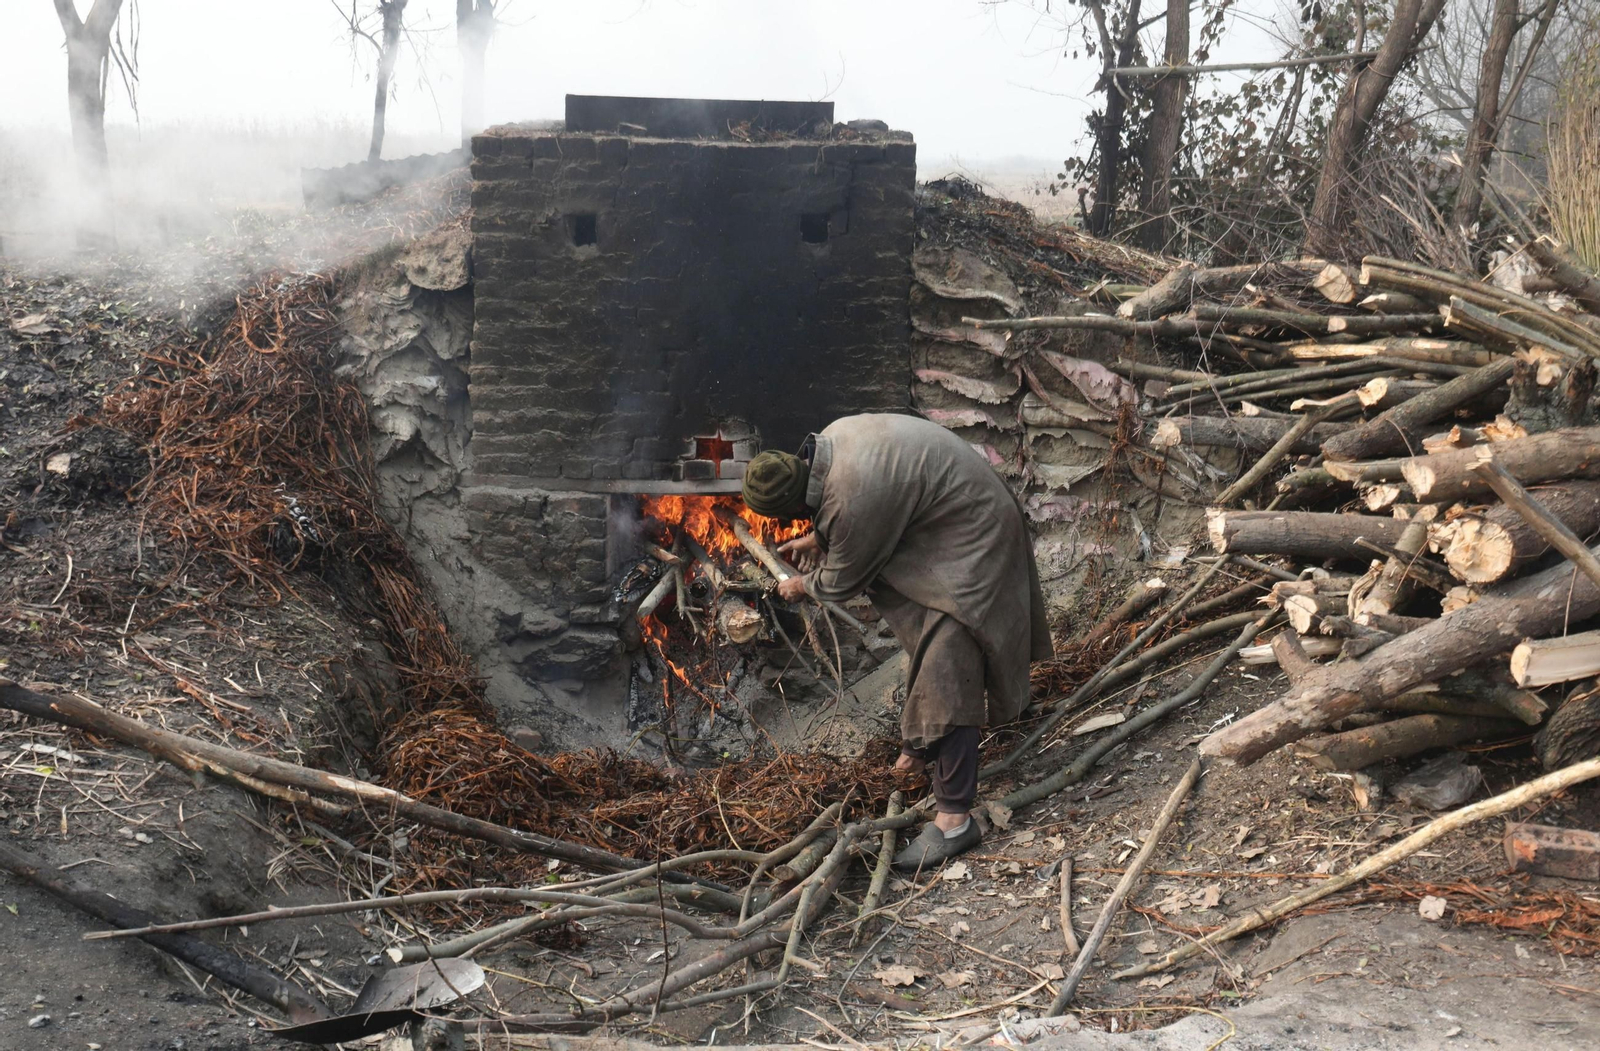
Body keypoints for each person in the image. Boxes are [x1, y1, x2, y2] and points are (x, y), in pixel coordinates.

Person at [740, 414, 1053, 868]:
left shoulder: (851, 500)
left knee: (950, 659)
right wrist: (820, 538)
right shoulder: (834, 439)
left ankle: (954, 819)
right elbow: (870, 505)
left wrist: (800, 587)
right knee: (936, 643)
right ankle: (922, 748)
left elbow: (841, 579)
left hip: (975, 531)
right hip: (948, 518)